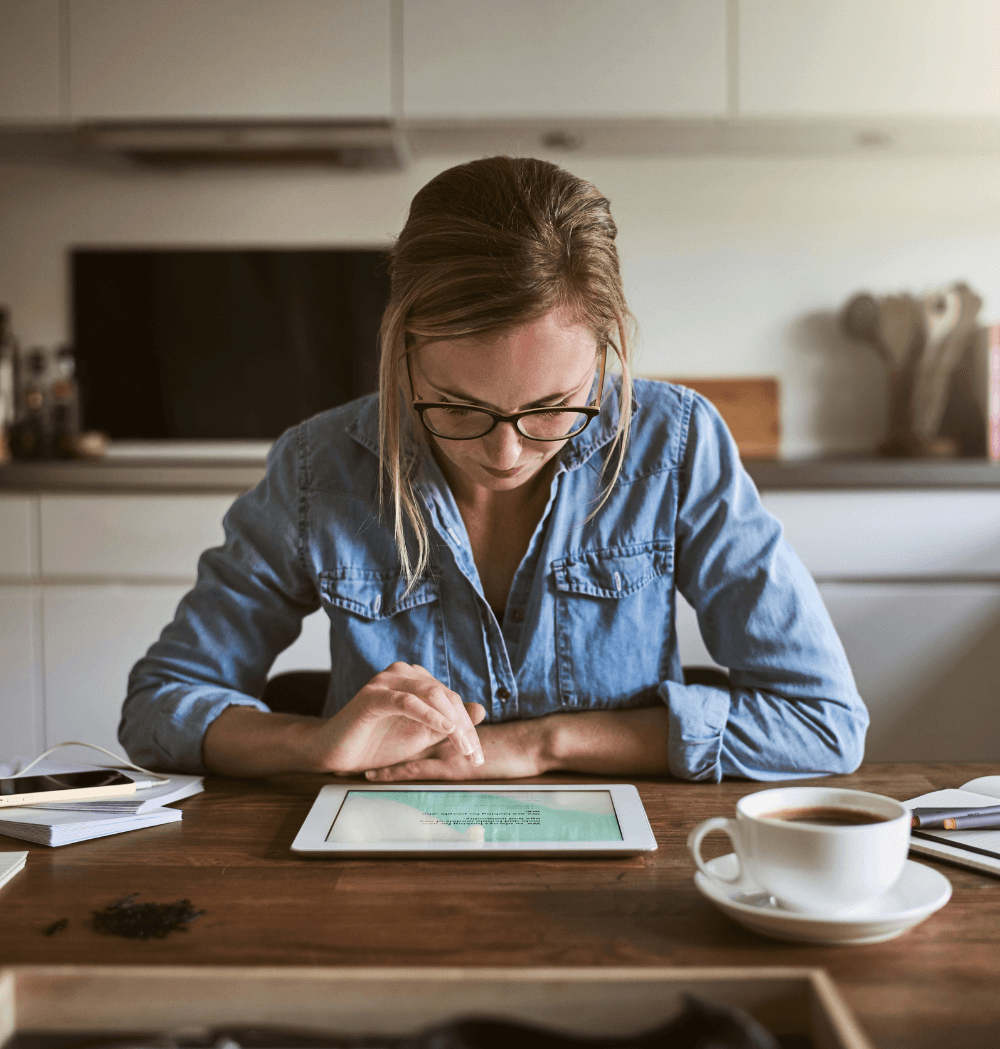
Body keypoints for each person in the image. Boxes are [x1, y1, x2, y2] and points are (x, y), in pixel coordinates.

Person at [120, 156, 868, 783]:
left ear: (605, 355)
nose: (505, 454)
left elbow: (823, 722)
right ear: (401, 348)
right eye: (455, 406)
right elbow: (159, 706)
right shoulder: (318, 466)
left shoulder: (674, 443)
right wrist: (314, 746)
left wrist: (540, 745)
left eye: (551, 409)